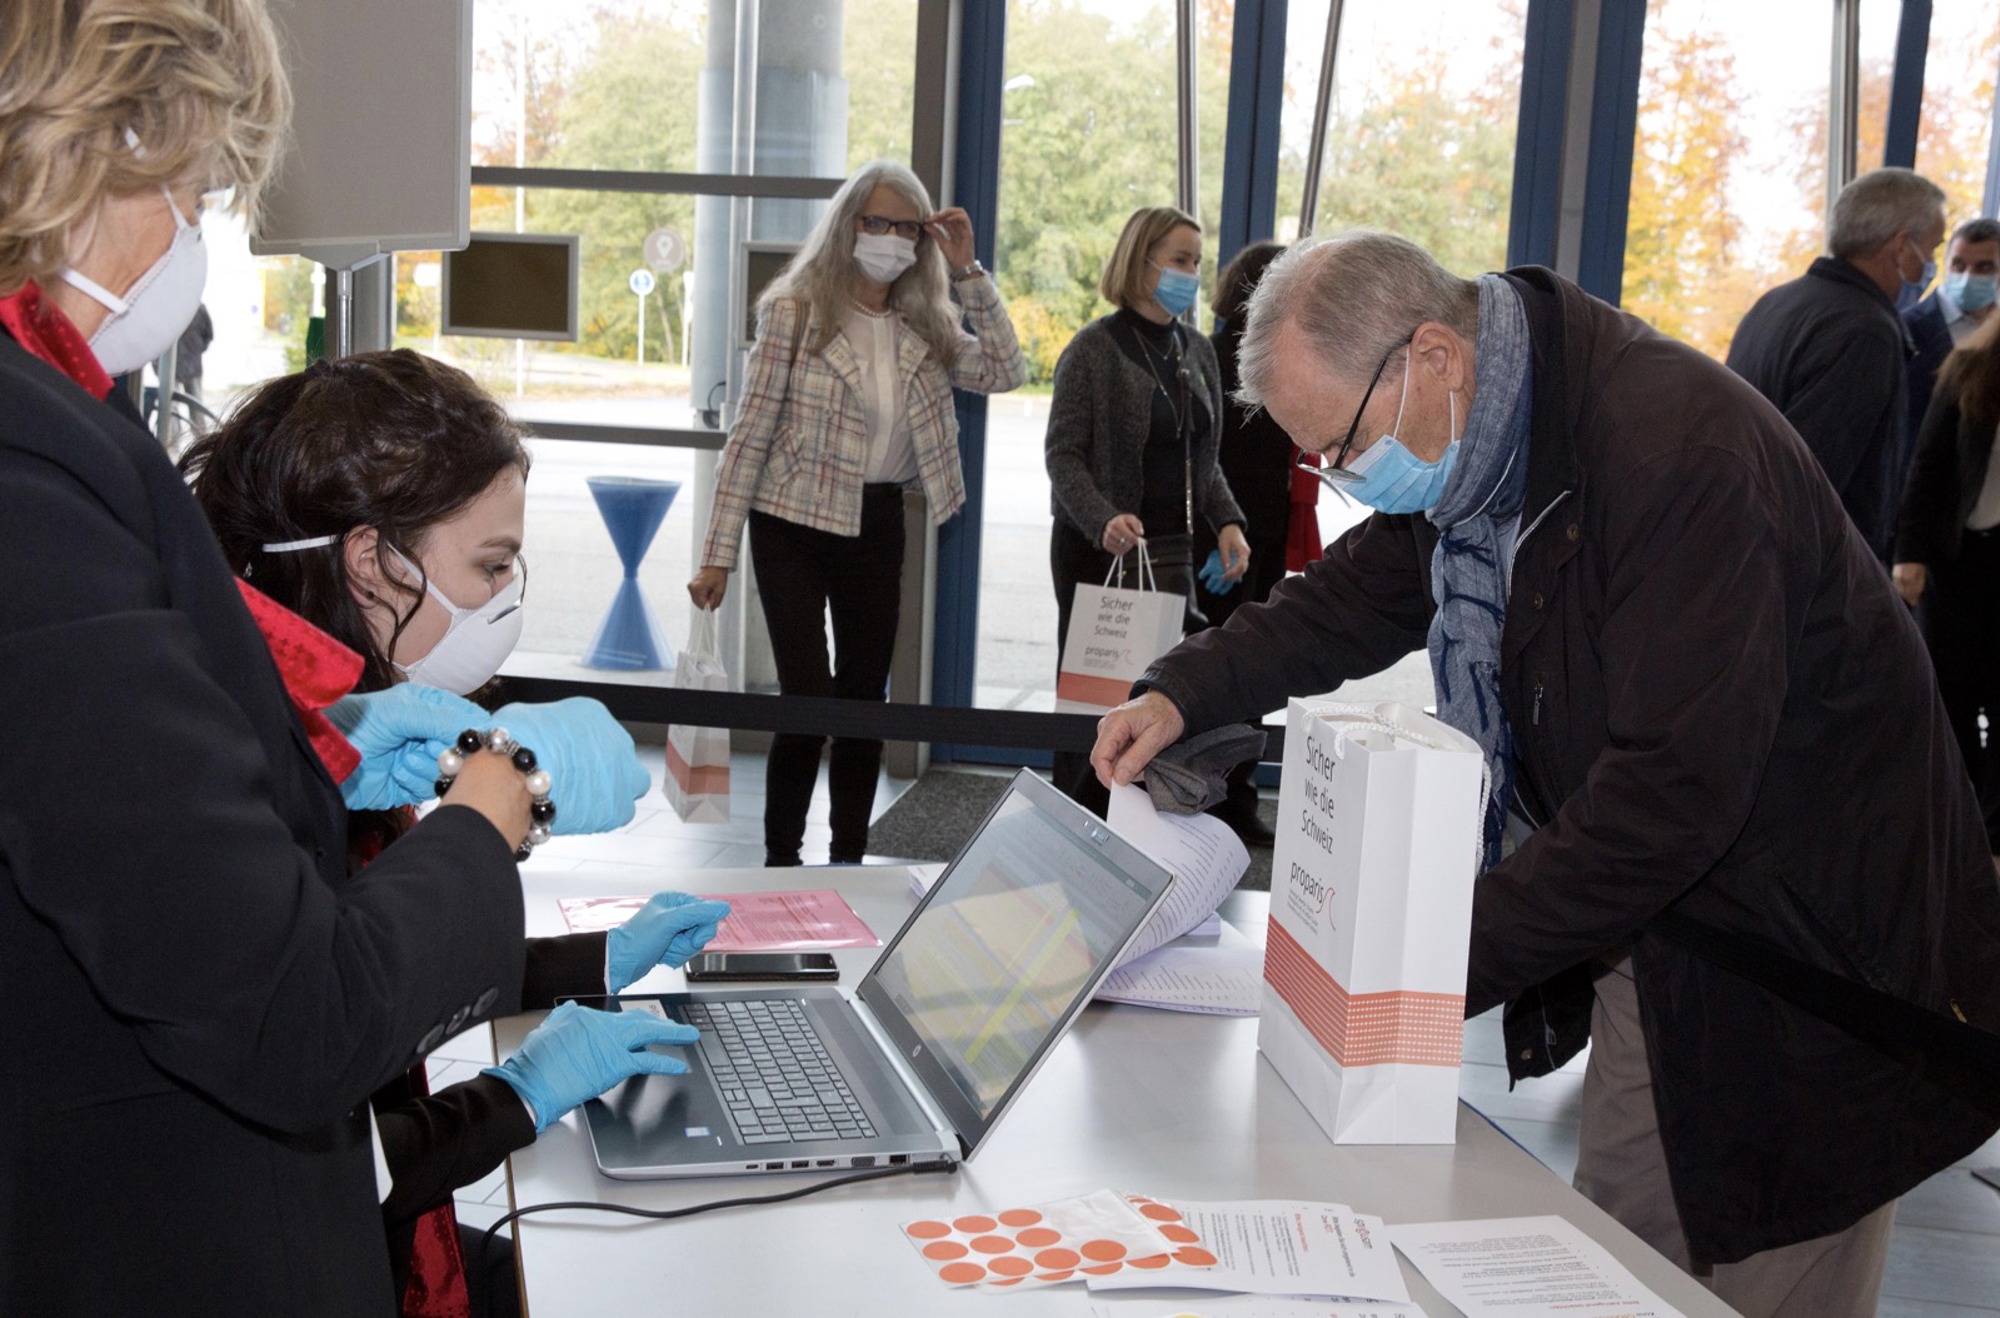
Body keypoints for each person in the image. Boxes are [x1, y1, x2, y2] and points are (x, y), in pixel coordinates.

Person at [1091, 230, 2000, 1317]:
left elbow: (1670, 794)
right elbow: (1352, 595)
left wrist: (1428, 974)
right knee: (1626, 1253)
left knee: (1765, 1260)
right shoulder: (1491, 438)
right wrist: (1182, 689)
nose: (1338, 476)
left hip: (1811, 957)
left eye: (1340, 445)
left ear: (1434, 355)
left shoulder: (1674, 455)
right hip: (1664, 925)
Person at [0, 5, 670, 1312]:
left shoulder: (57, 429)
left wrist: (334, 758)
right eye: (194, 185)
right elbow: (292, 1008)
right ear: (101, 138)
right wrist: (503, 798)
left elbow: (123, 825)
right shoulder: (31, 466)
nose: (193, 231)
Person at [182, 350, 729, 1315]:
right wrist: (520, 1094)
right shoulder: (210, 780)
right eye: (491, 565)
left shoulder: (293, 716)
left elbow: (378, 953)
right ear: (372, 562)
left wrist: (594, 959)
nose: (507, 596)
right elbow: (321, 1119)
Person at [687, 160, 1025, 867]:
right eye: (878, 222)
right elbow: (749, 434)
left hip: (877, 523)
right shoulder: (795, 311)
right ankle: (782, 859)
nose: (891, 239)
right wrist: (718, 554)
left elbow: (1005, 370)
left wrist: (969, 273)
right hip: (791, 524)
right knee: (808, 698)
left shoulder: (927, 322)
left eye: (907, 228)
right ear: (848, 225)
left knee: (865, 699)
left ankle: (848, 859)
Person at [1044, 205, 1250, 816]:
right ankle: (1078, 822)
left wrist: (1229, 521)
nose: (1192, 274)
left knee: (1160, 700)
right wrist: (1101, 517)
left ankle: (1145, 828)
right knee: (1096, 704)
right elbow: (1062, 454)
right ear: (1141, 261)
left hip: (1171, 557)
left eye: (1197, 262)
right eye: (1180, 260)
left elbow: (1202, 460)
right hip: (1101, 555)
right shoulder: (1092, 349)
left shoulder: (1197, 350)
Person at [1725, 166, 1946, 561]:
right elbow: (1813, 479)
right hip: (1807, 571)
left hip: (1741, 541)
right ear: (1901, 246)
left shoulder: (1778, 301)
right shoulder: (1867, 331)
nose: (1930, 266)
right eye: (1931, 250)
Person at [1893, 315, 2000, 854]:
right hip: (1959, 558)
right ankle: (1960, 820)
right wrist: (1909, 553)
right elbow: (1928, 464)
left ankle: (1994, 831)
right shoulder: (1969, 368)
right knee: (1950, 689)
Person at [1903, 216, 2000, 451]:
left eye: (1984, 267)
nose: (1967, 277)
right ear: (1946, 265)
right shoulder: (1907, 328)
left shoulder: (1996, 332)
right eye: (1958, 265)